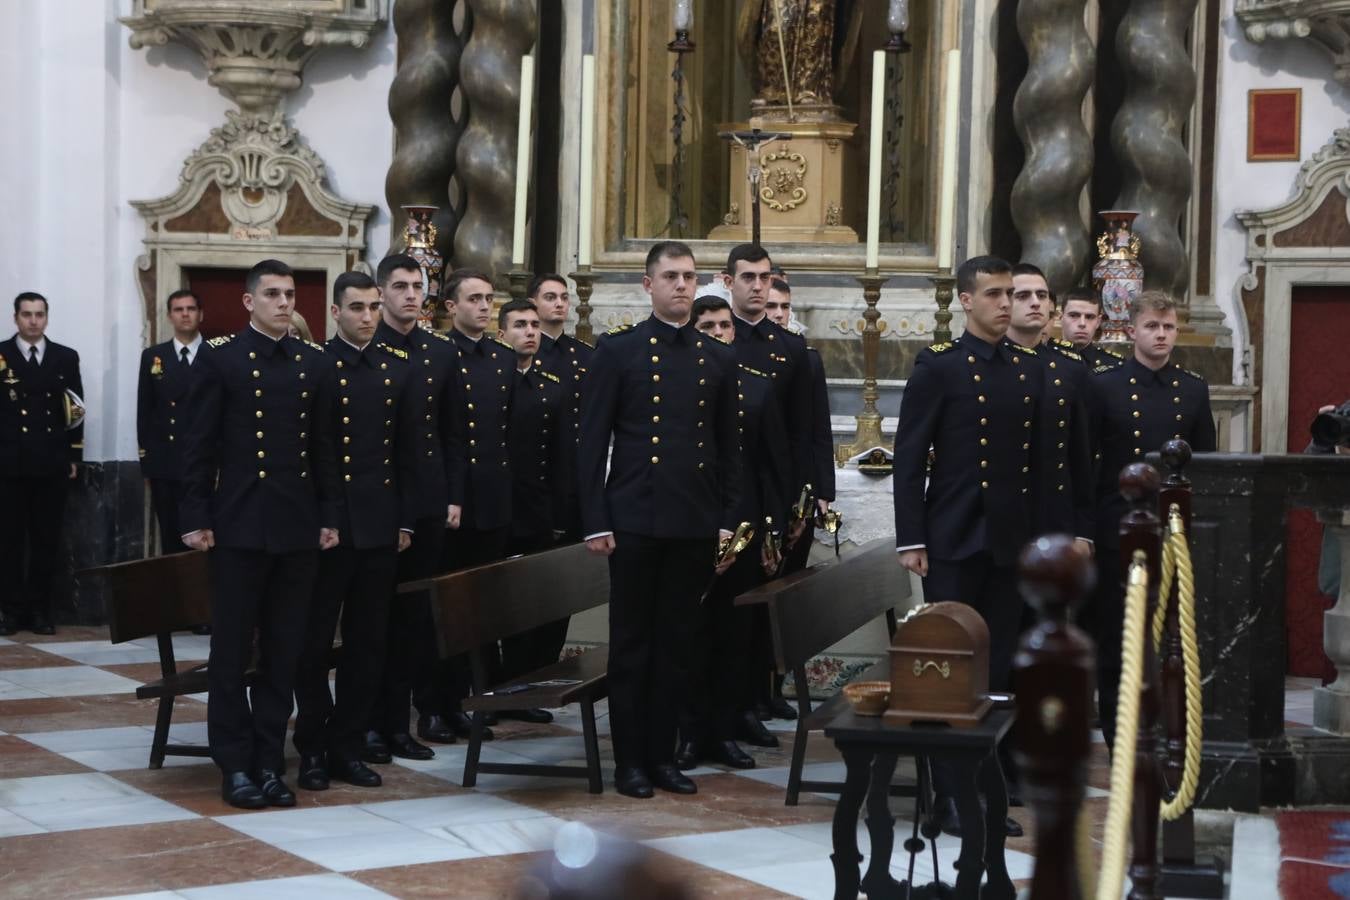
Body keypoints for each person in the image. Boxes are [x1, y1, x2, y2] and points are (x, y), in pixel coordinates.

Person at [578, 240, 742, 799]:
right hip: (633, 519)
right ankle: (629, 762)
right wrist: (595, 518)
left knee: (678, 645)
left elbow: (726, 450)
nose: (680, 285)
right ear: (647, 285)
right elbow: (591, 442)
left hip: (693, 519)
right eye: (670, 276)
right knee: (632, 645)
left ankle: (664, 758)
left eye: (689, 276)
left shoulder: (717, 356)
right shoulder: (618, 351)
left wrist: (726, 519)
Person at [179, 259, 340, 810]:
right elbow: (197, 447)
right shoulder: (220, 361)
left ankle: (271, 762)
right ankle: (235, 764)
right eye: (271, 294)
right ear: (249, 302)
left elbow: (324, 451)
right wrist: (195, 517)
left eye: (290, 294)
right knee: (229, 653)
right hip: (240, 525)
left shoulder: (311, 364)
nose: (283, 302)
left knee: (284, 653)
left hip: (296, 528)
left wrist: (329, 517)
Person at [892, 255, 1038, 839]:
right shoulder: (940, 369)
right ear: (965, 300)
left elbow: (1030, 467)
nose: (1006, 304)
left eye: (1011, 294)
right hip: (951, 539)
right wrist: (912, 537)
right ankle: (948, 798)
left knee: (997, 668)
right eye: (995, 294)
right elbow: (909, 458)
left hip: (1005, 542)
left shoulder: (1022, 370)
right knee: (948, 672)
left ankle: (988, 790)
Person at [292, 272, 418, 793]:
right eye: (356, 308)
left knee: (369, 644)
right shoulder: (317, 366)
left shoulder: (396, 369)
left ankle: (349, 744)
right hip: (330, 529)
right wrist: (323, 518)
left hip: (380, 526)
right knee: (315, 646)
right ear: (336, 313)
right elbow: (312, 450)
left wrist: (405, 519)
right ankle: (312, 748)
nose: (367, 316)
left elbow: (407, 452)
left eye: (372, 306)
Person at [1088, 290, 1216, 749]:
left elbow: (1205, 465)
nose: (1161, 335)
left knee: (1171, 631)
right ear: (1132, 330)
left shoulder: (1193, 388)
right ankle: (1115, 727)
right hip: (1116, 524)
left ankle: (1168, 725)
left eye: (1168, 327)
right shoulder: (1104, 386)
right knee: (1116, 630)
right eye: (1152, 327)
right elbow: (1087, 462)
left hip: (1173, 525)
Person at [677, 295, 788, 772]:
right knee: (689, 634)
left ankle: (723, 731)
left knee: (732, 635)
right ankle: (686, 731)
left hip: (743, 526)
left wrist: (771, 532)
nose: (720, 332)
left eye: (726, 325)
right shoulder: (676, 384)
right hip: (689, 524)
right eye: (708, 326)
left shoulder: (757, 388)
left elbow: (771, 467)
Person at [367, 253, 468, 759]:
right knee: (372, 619)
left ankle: (399, 723)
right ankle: (368, 721)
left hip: (427, 501)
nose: (411, 295)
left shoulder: (439, 352)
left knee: (413, 618)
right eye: (401, 286)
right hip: (378, 502)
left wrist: (452, 495)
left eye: (417, 286)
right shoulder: (367, 346)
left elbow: (452, 432)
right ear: (381, 292)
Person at [722, 245, 813, 743]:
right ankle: (716, 711)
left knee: (758, 610)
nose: (758, 287)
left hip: (767, 497)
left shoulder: (789, 349)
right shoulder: (712, 338)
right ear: (728, 280)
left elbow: (799, 434)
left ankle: (750, 704)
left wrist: (795, 505)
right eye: (748, 278)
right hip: (720, 498)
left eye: (764, 278)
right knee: (720, 614)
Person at [496, 298, 571, 719]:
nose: (530, 331)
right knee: (497, 609)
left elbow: (562, 457)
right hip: (500, 513)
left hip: (539, 512)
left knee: (537, 609)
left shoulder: (552, 385)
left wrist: (560, 514)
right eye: (520, 324)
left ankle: (525, 689)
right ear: (502, 333)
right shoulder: (491, 382)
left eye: (534, 324)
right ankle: (494, 690)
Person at [0, 292, 84, 636]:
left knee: (46, 541)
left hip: (51, 461)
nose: (33, 321)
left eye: (39, 314)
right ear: (15, 318)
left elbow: (76, 409)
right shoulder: (2, 354)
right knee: (8, 542)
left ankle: (39, 610)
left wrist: (75, 455)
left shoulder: (65, 357)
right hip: (8, 462)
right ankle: (9, 610)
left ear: (47, 317)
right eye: (26, 314)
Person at [1008, 265, 1094, 544]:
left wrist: (1083, 532)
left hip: (1054, 516)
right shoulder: (983, 364)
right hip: (999, 519)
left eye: (1042, 295)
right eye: (1022, 296)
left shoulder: (1070, 368)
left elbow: (1082, 457)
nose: (1035, 302)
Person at [137, 290, 205, 557]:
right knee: (170, 536)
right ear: (169, 316)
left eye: (191, 308)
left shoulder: (217, 354)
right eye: (179, 309)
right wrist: (147, 462)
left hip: (204, 465)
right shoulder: (154, 356)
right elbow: (145, 411)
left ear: (201, 314)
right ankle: (174, 598)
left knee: (205, 537)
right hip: (166, 463)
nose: (185, 314)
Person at [529, 273, 592, 540]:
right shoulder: (525, 352)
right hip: (538, 464)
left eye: (565, 298)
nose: (560, 304)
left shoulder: (585, 354)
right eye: (550, 297)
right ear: (533, 303)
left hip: (576, 462)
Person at [1060, 287, 1123, 370]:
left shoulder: (1115, 366)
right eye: (1074, 315)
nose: (1082, 323)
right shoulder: (1043, 361)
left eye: (1089, 317)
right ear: (1061, 318)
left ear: (1098, 322)